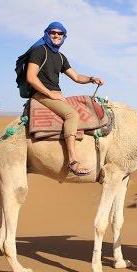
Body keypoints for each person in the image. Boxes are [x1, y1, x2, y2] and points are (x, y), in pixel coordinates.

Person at [25, 21, 105, 176]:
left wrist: (91, 78)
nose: (56, 35)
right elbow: (31, 77)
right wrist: (49, 93)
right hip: (42, 94)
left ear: (64, 36)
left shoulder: (61, 57)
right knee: (72, 115)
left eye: (60, 33)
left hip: (55, 95)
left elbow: (76, 77)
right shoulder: (39, 51)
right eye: (53, 32)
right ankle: (73, 161)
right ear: (47, 34)